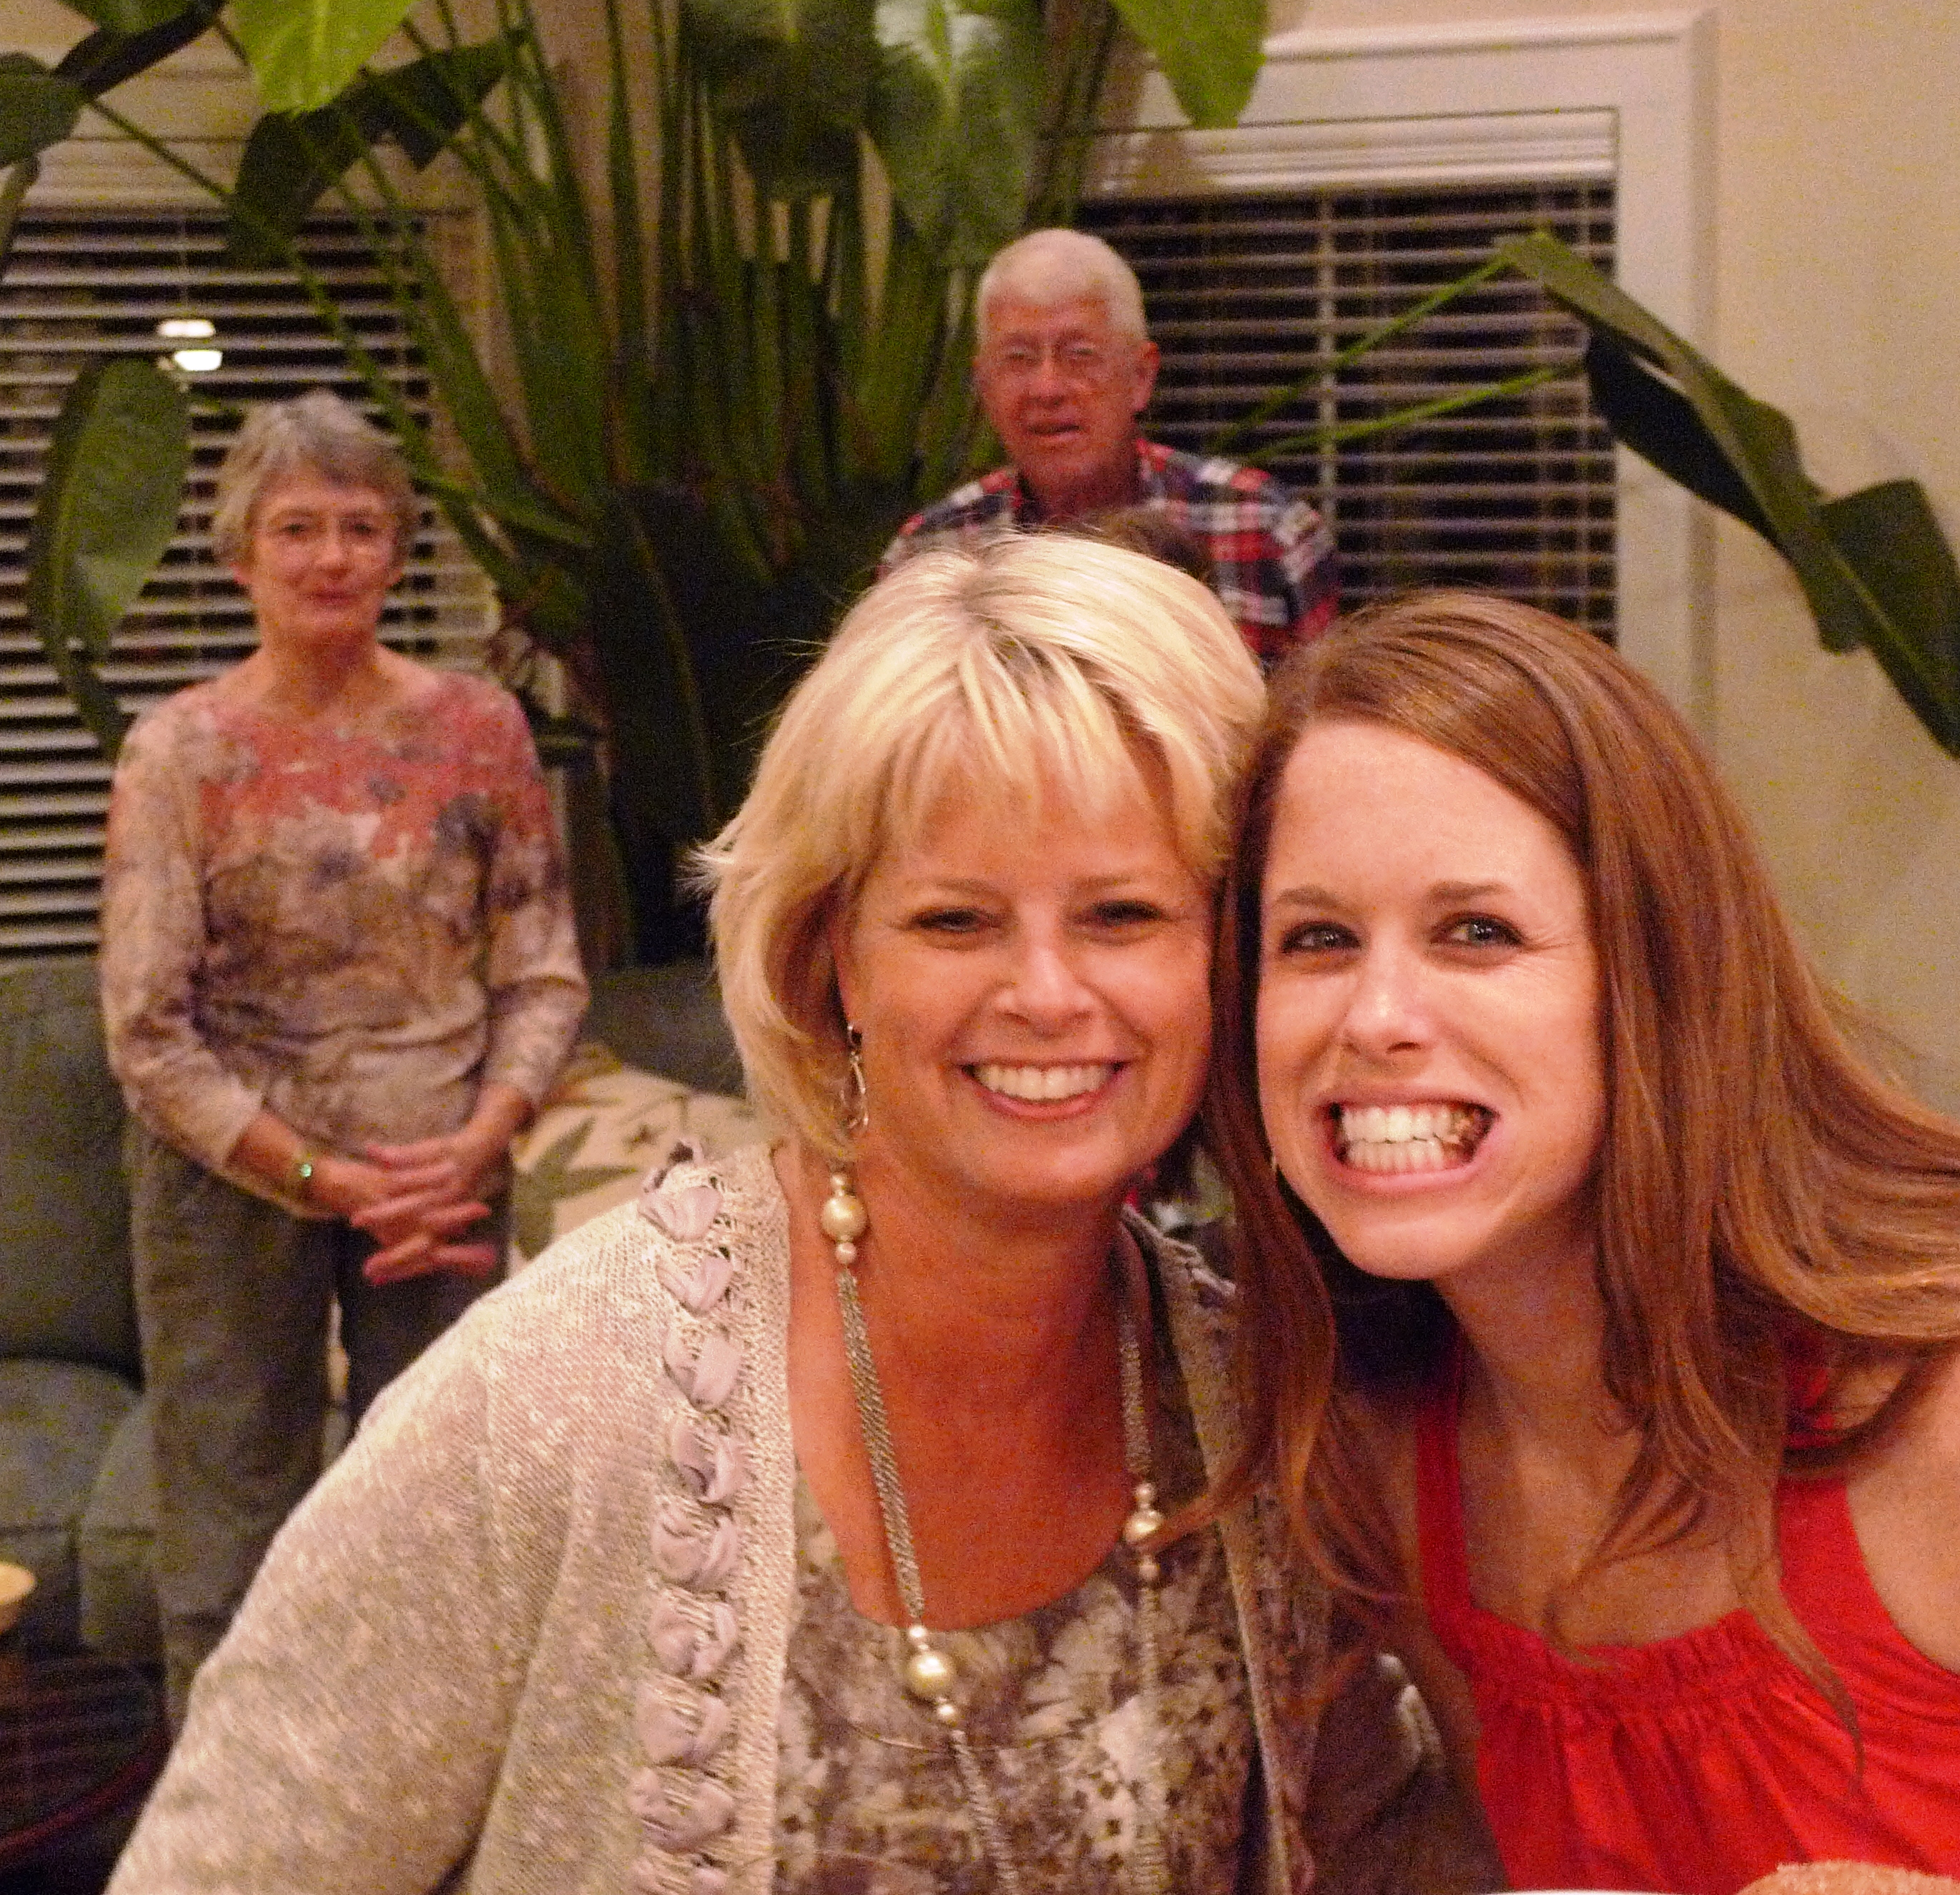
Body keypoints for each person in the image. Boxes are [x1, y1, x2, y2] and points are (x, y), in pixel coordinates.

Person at [106, 535, 1499, 1895]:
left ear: (1226, 954)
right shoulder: (559, 1398)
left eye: (1123, 915)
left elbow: (1390, 1851)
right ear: (830, 956)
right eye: (955, 921)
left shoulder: (1266, 1412)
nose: (1045, 993)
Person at [1204, 590, 1960, 1895]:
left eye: (1475, 932)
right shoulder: (1381, 1457)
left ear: (1657, 981)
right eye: (1316, 940)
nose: (1373, 1016)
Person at [98, 389, 587, 1721]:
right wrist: (320, 1176)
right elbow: (146, 1031)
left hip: (441, 1177)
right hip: (228, 1181)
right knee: (229, 1535)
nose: (331, 557)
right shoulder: (180, 750)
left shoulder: (479, 728)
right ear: (239, 555)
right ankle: (226, 1815)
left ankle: (425, 1804)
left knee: (447, 1519)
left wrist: (476, 1144)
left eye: (361, 527)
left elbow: (542, 969)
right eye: (297, 528)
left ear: (397, 550)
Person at [884, 228, 1340, 663]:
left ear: (1140, 377)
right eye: (1018, 359)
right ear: (985, 387)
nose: (1047, 389)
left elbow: (1321, 711)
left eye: (1080, 355)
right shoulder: (927, 556)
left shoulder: (1267, 528)